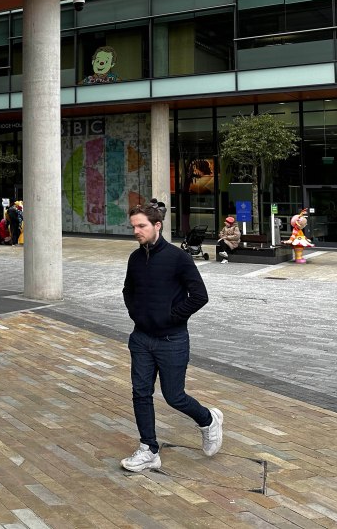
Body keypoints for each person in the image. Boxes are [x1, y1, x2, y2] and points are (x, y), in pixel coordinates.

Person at [120, 202, 223, 472]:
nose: (136, 231)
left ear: (157, 226)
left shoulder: (179, 258)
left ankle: (208, 419)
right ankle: (148, 449)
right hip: (141, 338)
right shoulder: (135, 258)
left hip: (171, 340)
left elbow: (200, 296)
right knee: (140, 393)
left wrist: (170, 318)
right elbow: (128, 290)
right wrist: (137, 315)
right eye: (133, 226)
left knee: (174, 395)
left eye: (141, 226)